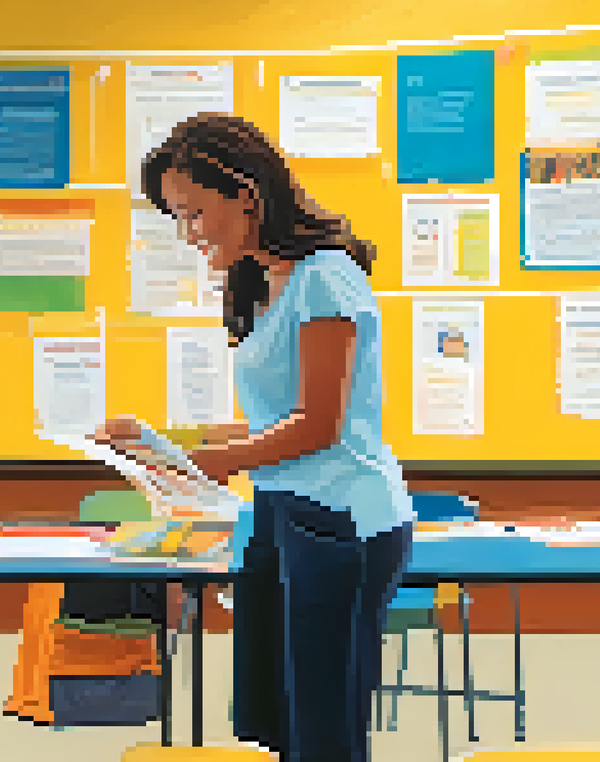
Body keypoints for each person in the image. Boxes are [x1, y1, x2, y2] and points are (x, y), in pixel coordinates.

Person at [94, 113, 415, 762]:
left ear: (246, 194)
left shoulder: (326, 274)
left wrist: (204, 464)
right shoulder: (262, 280)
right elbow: (275, 419)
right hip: (280, 512)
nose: (188, 234)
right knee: (268, 717)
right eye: (176, 218)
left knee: (322, 730)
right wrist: (158, 444)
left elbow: (320, 425)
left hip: (342, 520)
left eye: (193, 213)